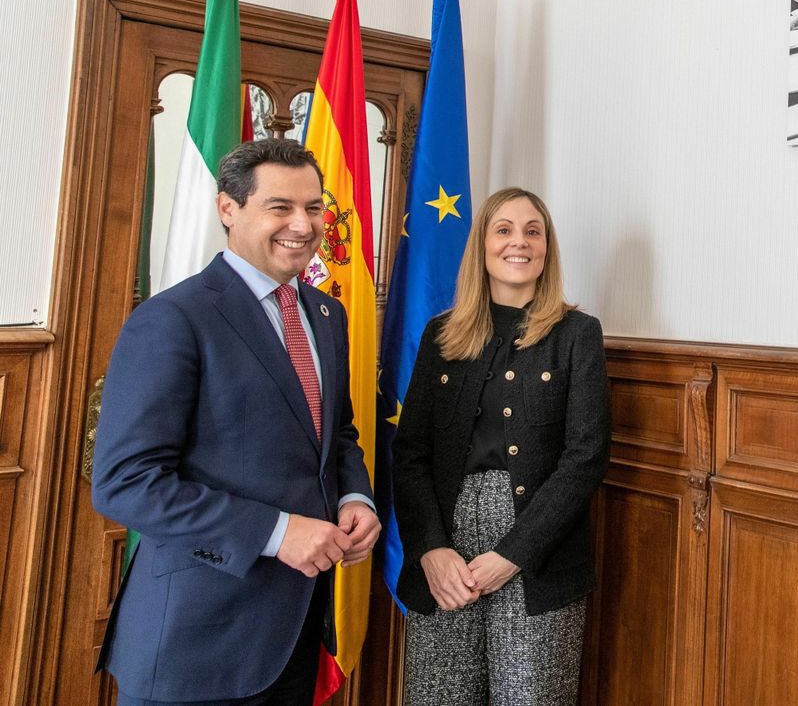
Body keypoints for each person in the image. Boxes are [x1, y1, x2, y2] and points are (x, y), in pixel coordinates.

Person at [92, 138, 380, 706]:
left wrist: (356, 499)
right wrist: (277, 533)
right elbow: (125, 484)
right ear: (229, 208)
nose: (303, 224)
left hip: (294, 634)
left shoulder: (326, 314)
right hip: (198, 642)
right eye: (281, 207)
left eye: (314, 207)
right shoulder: (173, 318)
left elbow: (335, 433)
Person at [394, 188, 610, 706]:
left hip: (538, 552)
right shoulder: (441, 335)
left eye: (533, 231)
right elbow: (410, 453)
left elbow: (586, 455)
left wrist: (512, 555)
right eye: (505, 229)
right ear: (483, 246)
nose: (520, 242)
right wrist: (429, 548)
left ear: (547, 248)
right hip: (445, 547)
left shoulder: (577, 334)